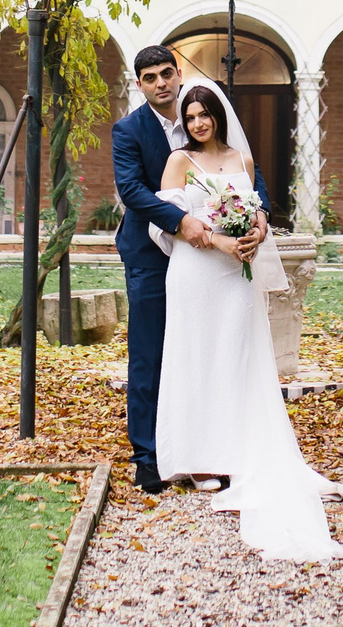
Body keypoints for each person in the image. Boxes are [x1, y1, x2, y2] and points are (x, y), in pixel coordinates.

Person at [151, 78, 343, 561]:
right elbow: (169, 224)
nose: (198, 123)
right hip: (196, 273)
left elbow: (257, 207)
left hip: (236, 276)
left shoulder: (242, 159)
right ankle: (198, 459)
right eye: (190, 117)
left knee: (235, 359)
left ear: (218, 115)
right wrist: (218, 240)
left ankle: (235, 451)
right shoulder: (179, 161)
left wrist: (256, 232)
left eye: (204, 114)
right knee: (196, 358)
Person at [111, 43, 264, 494]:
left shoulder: (206, 116)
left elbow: (251, 182)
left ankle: (211, 447)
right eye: (150, 78)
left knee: (209, 352)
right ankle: (148, 456)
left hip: (214, 263)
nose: (160, 83)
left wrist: (259, 221)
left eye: (166, 74)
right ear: (139, 85)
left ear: (178, 74)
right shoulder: (129, 130)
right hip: (150, 254)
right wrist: (181, 222)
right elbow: (132, 190)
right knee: (150, 354)